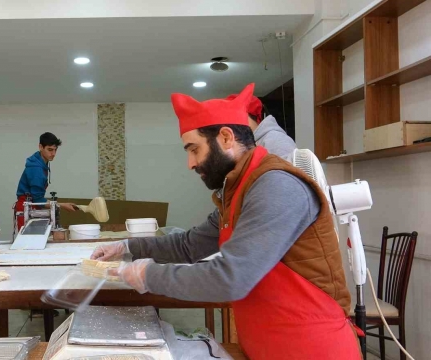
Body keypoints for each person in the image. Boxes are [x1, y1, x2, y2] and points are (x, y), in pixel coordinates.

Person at [92, 83, 361, 359]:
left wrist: (148, 275)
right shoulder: (237, 191)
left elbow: (230, 277)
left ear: (225, 137)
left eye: (194, 149)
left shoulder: (276, 185)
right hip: (264, 346)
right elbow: (189, 245)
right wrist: (127, 247)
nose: (190, 163)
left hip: (312, 348)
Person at [14, 132, 76, 234]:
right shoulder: (36, 168)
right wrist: (63, 205)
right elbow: (38, 199)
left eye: (55, 150)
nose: (53, 154)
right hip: (27, 207)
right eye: (50, 150)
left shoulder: (40, 161)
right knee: (29, 241)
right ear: (40, 147)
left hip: (33, 204)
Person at [225, 93, 296, 162]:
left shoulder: (275, 139)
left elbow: (288, 172)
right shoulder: (251, 142)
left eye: (235, 115)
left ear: (246, 114)